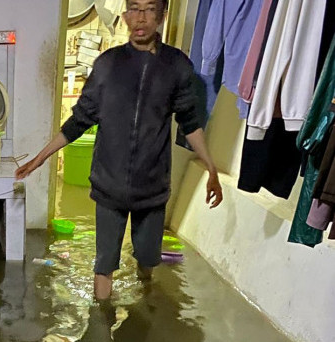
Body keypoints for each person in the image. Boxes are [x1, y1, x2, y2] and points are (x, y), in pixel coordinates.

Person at [16, 0, 223, 301]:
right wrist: (39, 158)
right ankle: (101, 325)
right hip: (109, 183)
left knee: (148, 258)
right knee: (104, 264)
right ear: (124, 15)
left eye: (149, 9)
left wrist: (212, 169)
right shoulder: (107, 65)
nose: (140, 18)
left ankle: (143, 305)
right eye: (134, 9)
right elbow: (79, 121)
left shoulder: (177, 66)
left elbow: (189, 123)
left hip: (152, 185)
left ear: (162, 15)